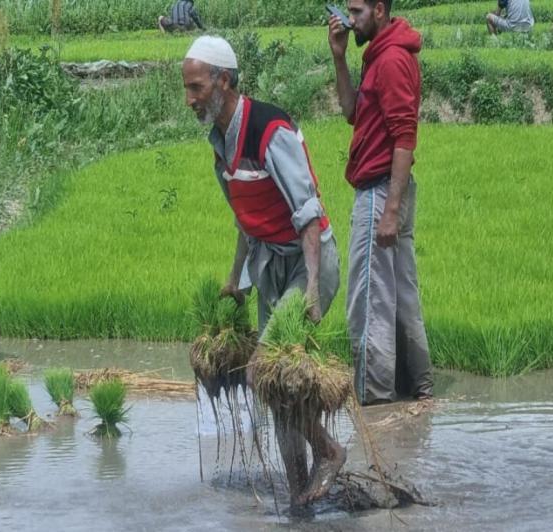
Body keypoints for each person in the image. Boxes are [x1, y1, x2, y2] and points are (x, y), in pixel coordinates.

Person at [182, 35, 344, 509]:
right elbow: (244, 217)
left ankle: (329, 450)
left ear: (223, 80)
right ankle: (298, 497)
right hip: (269, 264)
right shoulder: (219, 142)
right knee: (275, 389)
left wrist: (313, 289)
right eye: (187, 90)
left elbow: (308, 212)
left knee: (261, 371)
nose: (190, 100)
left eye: (196, 88)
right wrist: (235, 279)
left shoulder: (269, 129)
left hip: (307, 261)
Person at [327, 1, 434, 406]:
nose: (349, 19)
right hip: (388, 190)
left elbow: (405, 136)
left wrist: (389, 211)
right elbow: (354, 112)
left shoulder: (390, 59)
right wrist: (339, 58)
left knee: (369, 300)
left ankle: (374, 401)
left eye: (356, 11)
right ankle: (416, 390)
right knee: (401, 293)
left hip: (380, 192)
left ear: (380, 9)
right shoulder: (379, 53)